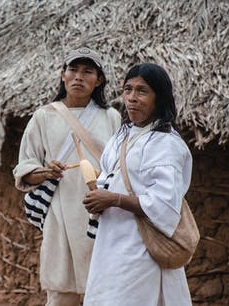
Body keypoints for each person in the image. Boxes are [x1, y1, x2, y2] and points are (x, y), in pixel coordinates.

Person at [13, 47, 121, 306]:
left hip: (102, 215)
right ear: (63, 75)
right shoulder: (44, 117)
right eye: (73, 70)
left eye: (88, 72)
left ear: (100, 80)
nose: (79, 77)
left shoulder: (112, 118)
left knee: (105, 290)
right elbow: (25, 166)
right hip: (60, 212)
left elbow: (122, 167)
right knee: (61, 293)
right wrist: (45, 171)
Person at [82, 63, 193, 305]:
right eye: (128, 89)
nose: (132, 98)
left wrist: (115, 200)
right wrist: (98, 198)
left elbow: (165, 204)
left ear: (158, 97)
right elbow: (108, 179)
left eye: (142, 91)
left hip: (143, 248)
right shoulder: (121, 136)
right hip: (111, 244)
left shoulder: (166, 144)